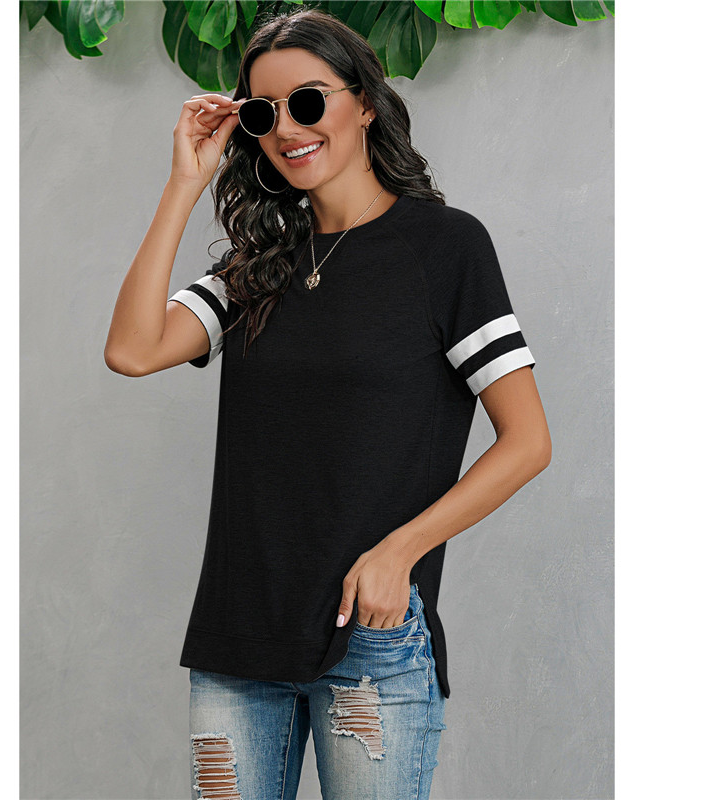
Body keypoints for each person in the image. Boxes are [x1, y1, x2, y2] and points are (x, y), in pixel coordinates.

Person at [104, 8, 551, 800]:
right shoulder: (257, 267)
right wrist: (184, 183)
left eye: (308, 102)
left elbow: (527, 442)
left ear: (364, 103)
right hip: (238, 642)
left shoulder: (445, 248)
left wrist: (400, 552)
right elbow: (133, 351)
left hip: (370, 641)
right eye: (262, 113)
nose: (286, 129)